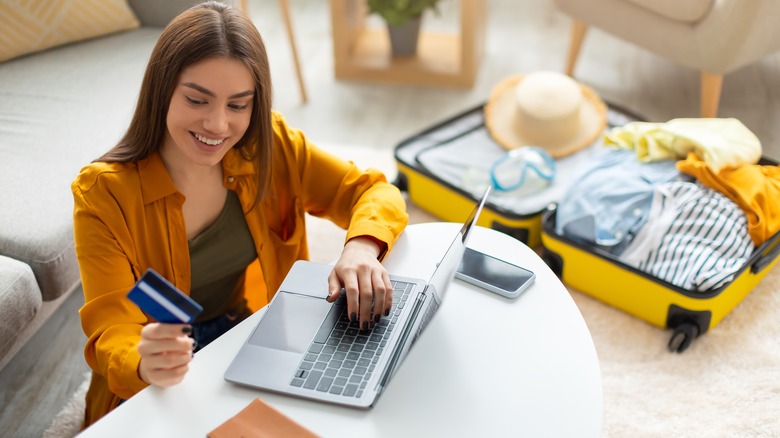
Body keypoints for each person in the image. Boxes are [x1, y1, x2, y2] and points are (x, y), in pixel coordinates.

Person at [71, 1, 408, 428]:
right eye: (198, 99)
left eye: (238, 105)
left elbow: (372, 190)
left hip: (241, 337)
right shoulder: (103, 194)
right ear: (162, 91)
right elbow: (111, 327)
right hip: (154, 371)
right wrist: (141, 359)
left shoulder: (271, 144)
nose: (217, 125)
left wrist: (361, 249)